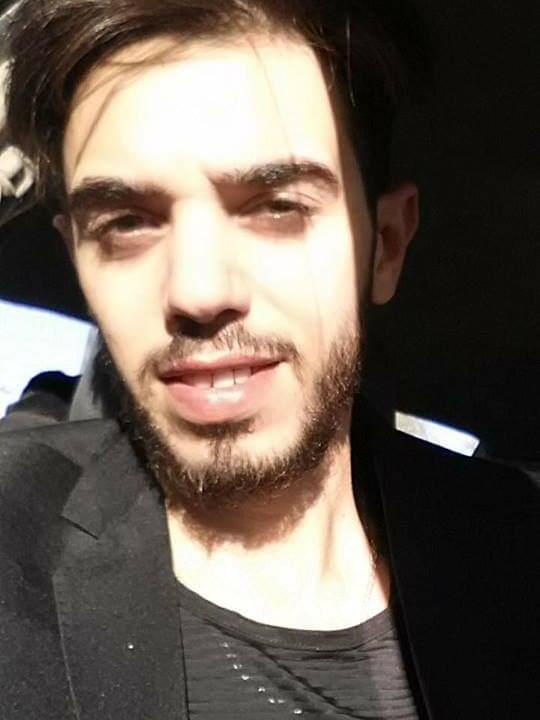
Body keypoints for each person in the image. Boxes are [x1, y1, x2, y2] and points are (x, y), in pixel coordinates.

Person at [0, 1, 538, 718]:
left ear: (385, 246)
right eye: (126, 223)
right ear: (76, 256)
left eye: (277, 206)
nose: (198, 292)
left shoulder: (516, 552)